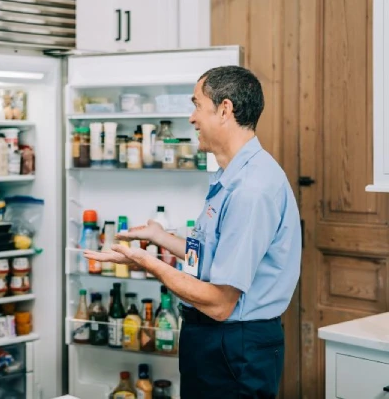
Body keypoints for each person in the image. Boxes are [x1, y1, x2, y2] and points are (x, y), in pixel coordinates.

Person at [85, 65, 301, 399]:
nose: (192, 117)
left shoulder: (251, 189)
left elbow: (220, 303)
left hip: (235, 345)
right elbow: (218, 254)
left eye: (197, 105)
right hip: (218, 342)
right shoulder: (233, 177)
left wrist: (150, 262)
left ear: (225, 109)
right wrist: (160, 238)